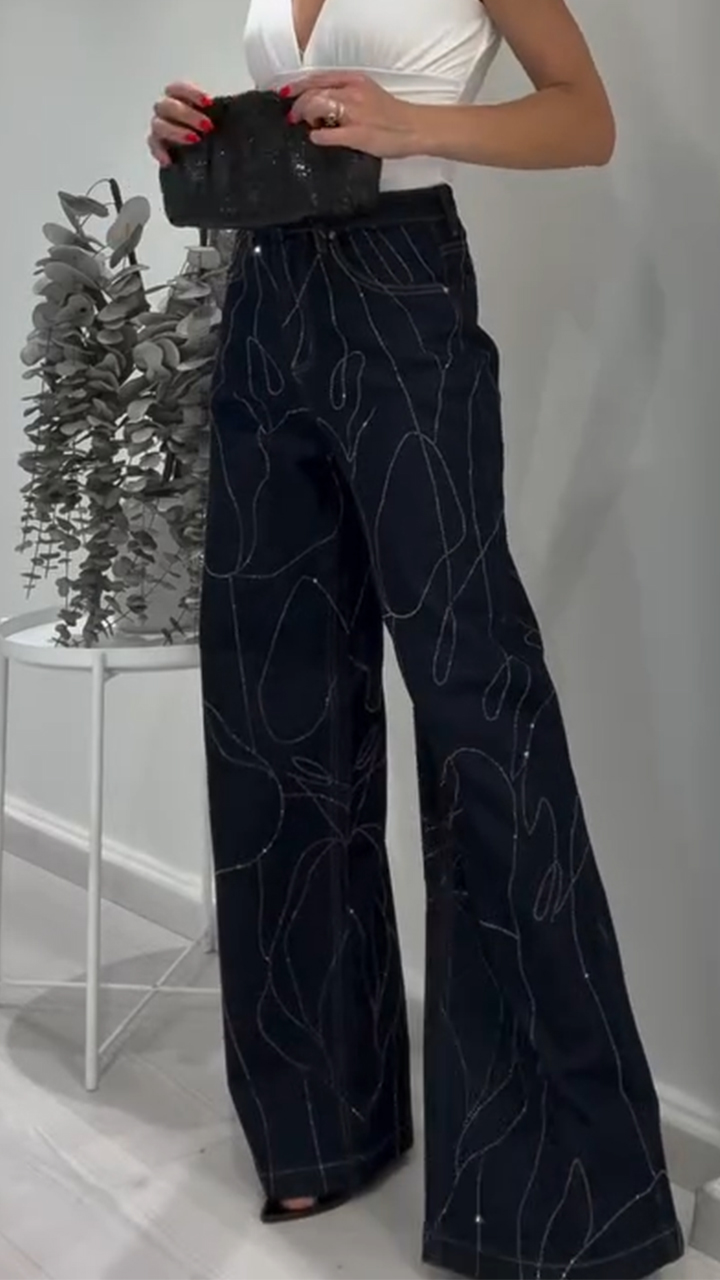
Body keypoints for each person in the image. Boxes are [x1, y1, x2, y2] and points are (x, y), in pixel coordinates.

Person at [148, 2, 683, 1276]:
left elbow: (586, 118)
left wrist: (411, 124)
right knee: (273, 702)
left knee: (475, 705)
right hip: (267, 295)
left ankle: (559, 1189)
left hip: (402, 294)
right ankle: (318, 1125)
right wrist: (194, 138)